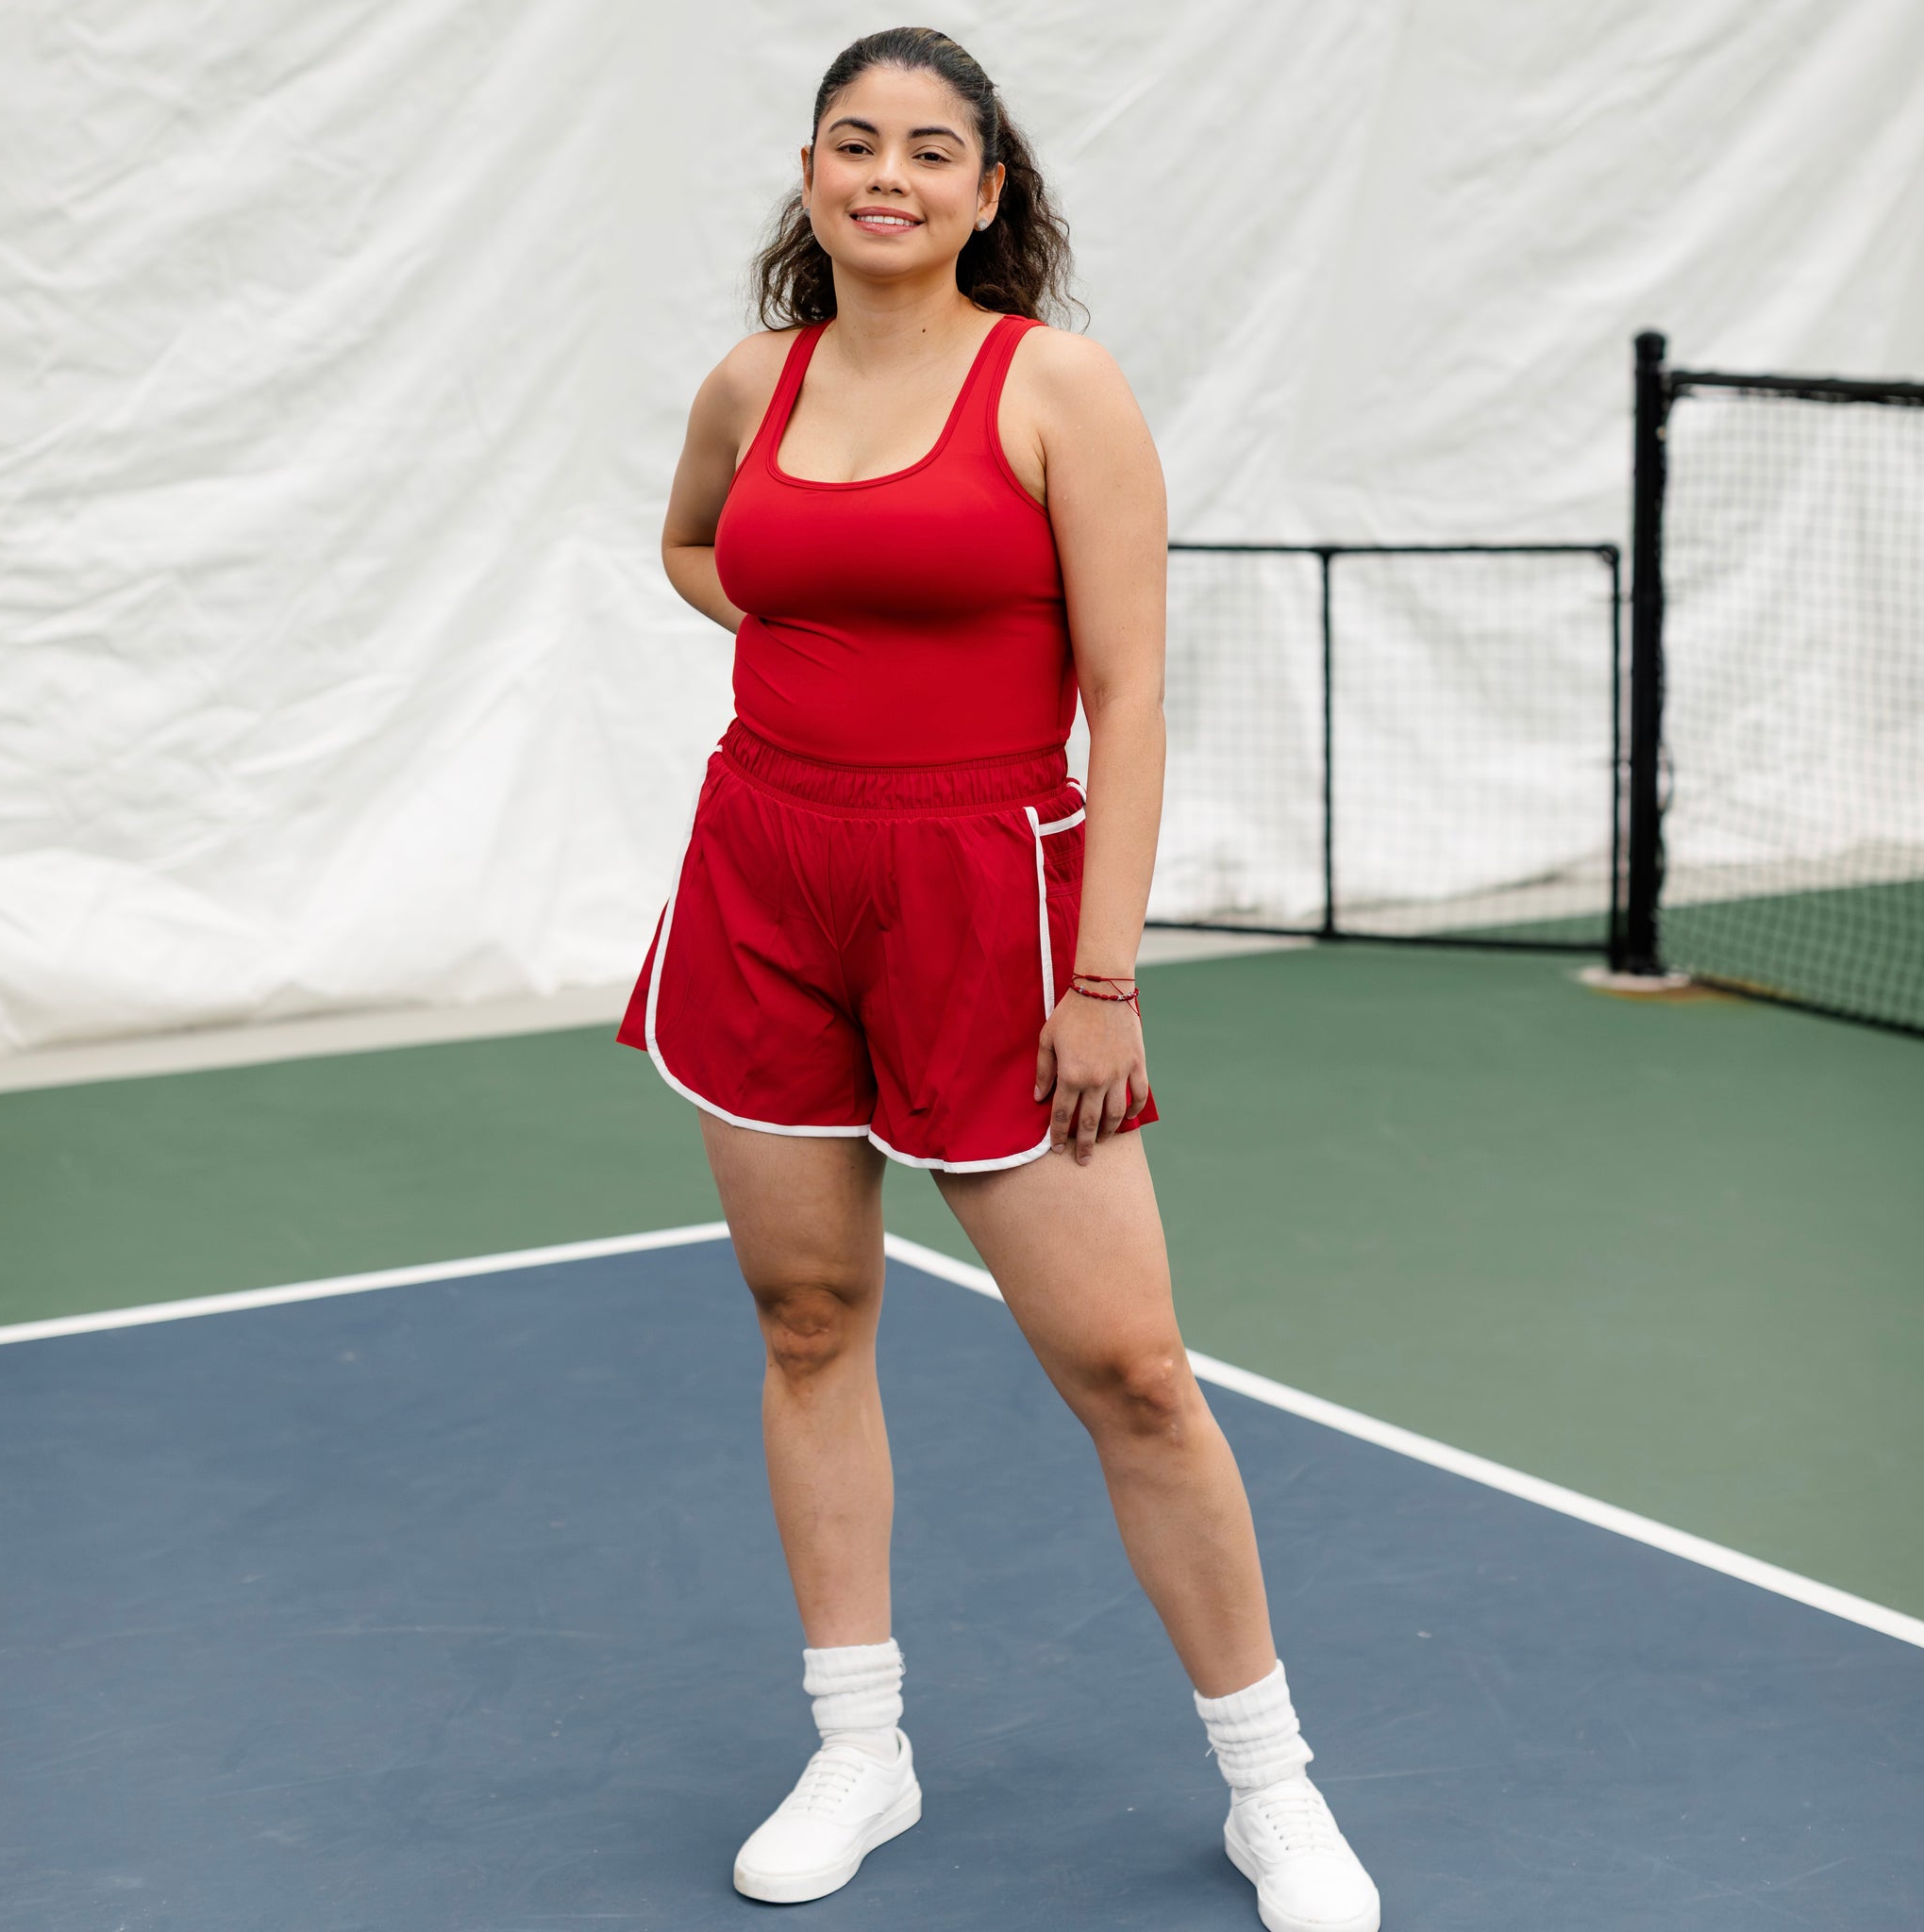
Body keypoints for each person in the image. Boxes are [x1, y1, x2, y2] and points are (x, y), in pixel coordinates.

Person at [617, 27, 1382, 1932]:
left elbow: (1128, 693)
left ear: (987, 190)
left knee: (1132, 1371)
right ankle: (859, 1746)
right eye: (852, 141)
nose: (886, 174)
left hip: (992, 898)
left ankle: (1270, 1786)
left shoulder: (1056, 387)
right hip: (766, 872)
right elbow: (697, 544)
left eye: (929, 149)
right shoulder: (752, 380)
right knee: (808, 1317)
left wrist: (1103, 975)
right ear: (811, 172)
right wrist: (808, 612)